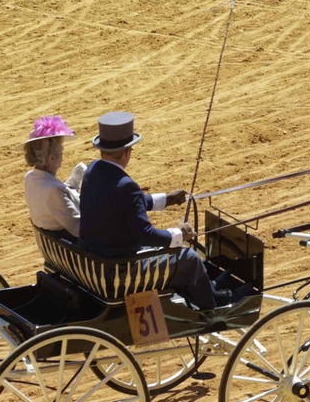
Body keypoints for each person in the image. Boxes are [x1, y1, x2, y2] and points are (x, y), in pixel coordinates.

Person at [78, 112, 233, 310]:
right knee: (189, 257)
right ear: (128, 152)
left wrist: (167, 199)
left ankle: (211, 289)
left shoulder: (92, 171)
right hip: (120, 270)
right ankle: (214, 309)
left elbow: (127, 202)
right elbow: (145, 235)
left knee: (175, 253)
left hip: (96, 264)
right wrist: (179, 233)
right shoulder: (126, 186)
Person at [24, 116, 88, 238]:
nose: (62, 156)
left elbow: (57, 203)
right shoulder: (54, 191)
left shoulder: (30, 178)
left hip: (52, 249)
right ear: (51, 159)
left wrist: (74, 181)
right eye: (61, 152)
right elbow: (79, 229)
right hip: (73, 254)